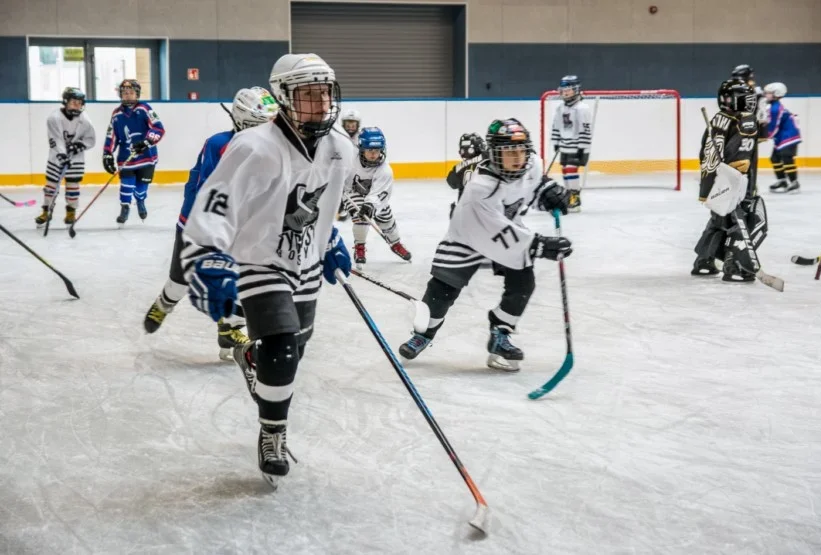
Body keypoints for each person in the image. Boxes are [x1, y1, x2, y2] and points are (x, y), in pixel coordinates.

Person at [180, 53, 354, 485]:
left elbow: (323, 208)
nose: (319, 104)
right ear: (283, 98)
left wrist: (330, 238)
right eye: (307, 95)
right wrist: (210, 258)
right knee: (282, 351)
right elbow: (215, 204)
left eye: (324, 94)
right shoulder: (254, 146)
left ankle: (252, 356)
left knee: (294, 352)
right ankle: (272, 433)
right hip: (258, 259)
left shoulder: (340, 149)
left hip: (305, 261)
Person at [398, 118, 572, 372]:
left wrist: (547, 192)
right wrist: (540, 245)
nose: (517, 157)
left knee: (523, 282)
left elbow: (530, 188)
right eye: (509, 151)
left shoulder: (532, 163)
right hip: (468, 236)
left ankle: (500, 334)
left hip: (507, 229)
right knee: (442, 288)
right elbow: (496, 233)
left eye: (521, 150)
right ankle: (424, 333)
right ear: (493, 154)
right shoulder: (480, 188)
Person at [143, 87, 279, 360]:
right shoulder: (219, 144)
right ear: (242, 121)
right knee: (180, 281)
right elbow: (212, 192)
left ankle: (229, 329)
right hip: (198, 225)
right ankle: (165, 303)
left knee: (244, 280)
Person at [692, 79, 763, 282]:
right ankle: (736, 265)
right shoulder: (746, 119)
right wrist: (738, 184)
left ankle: (704, 261)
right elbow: (740, 154)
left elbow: (703, 152)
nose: (750, 102)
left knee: (718, 219)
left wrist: (712, 180)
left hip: (713, 179)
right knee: (740, 220)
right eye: (746, 98)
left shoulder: (718, 118)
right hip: (734, 180)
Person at [343, 126, 412, 266]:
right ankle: (359, 247)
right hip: (351, 193)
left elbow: (378, 195)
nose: (374, 154)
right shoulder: (349, 159)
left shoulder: (385, 170)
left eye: (377, 150)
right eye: (370, 150)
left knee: (386, 217)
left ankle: (396, 243)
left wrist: (370, 205)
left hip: (373, 197)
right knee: (360, 215)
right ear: (361, 149)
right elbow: (338, 174)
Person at [102, 79, 165, 225]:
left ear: (137, 94)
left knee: (141, 188)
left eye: (131, 92)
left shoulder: (145, 109)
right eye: (124, 93)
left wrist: (147, 141)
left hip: (147, 157)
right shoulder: (116, 114)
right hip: (126, 157)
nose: (128, 95)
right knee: (126, 184)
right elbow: (111, 136)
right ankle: (125, 207)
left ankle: (140, 200)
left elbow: (158, 128)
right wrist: (107, 153)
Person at [35, 87, 96, 227]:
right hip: (56, 157)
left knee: (73, 185)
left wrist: (80, 145)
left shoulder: (85, 120)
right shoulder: (54, 117)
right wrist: (62, 154)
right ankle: (46, 211)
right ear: (65, 101)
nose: (77, 105)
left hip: (76, 158)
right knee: (51, 185)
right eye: (73, 102)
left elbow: (90, 139)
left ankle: (71, 212)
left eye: (79, 102)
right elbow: (56, 138)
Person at [549, 75, 593, 212]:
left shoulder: (582, 108)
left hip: (578, 146)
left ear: (576, 90)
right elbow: (556, 126)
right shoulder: (560, 108)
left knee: (570, 169)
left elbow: (585, 129)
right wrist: (556, 142)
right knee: (564, 170)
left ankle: (575, 197)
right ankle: (568, 196)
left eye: (568, 89)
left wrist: (582, 147)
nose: (565, 92)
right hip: (565, 146)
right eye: (563, 89)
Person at [730, 64, 769, 195]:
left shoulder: (755, 92)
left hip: (749, 133)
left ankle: (749, 189)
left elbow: (762, 114)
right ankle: (745, 188)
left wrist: (760, 132)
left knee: (749, 163)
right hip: (738, 132)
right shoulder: (738, 90)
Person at [765, 83, 802, 194]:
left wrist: (765, 135)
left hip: (789, 136)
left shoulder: (776, 108)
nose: (766, 95)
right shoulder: (773, 106)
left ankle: (794, 183)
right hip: (782, 136)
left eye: (768, 93)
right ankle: (782, 180)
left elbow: (773, 126)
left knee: (787, 158)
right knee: (774, 158)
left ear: (776, 94)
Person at [446, 132, 485, 218]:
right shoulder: (488, 160)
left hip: (464, 215)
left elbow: (451, 182)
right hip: (486, 210)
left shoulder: (458, 168)